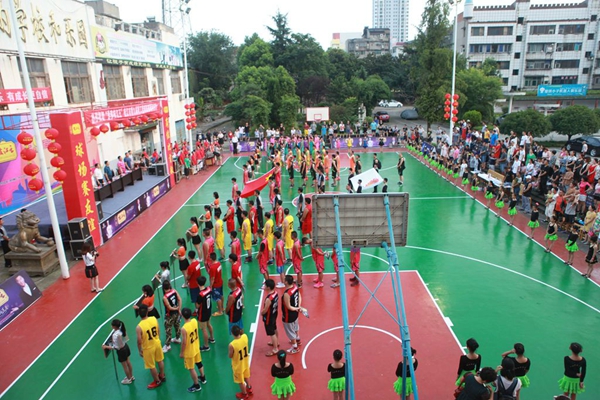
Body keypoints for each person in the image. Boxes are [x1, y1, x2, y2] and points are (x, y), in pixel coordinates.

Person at [136, 304, 166, 389]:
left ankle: (157, 381)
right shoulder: (153, 319)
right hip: (157, 343)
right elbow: (158, 331)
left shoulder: (139, 327)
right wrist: (157, 339)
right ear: (147, 312)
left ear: (139, 313)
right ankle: (162, 375)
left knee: (152, 366)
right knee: (160, 360)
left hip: (148, 348)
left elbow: (139, 341)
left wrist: (139, 350)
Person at [180, 307, 207, 393]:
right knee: (199, 363)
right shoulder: (194, 321)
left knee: (191, 368)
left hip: (189, 351)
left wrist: (182, 352)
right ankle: (203, 378)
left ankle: (196, 385)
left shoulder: (184, 328)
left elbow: (184, 342)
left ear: (182, 316)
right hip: (196, 347)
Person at [101, 319, 134, 384]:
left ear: (114, 326)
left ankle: (128, 379)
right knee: (128, 362)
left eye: (112, 325)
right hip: (126, 347)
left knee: (125, 366)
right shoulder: (122, 329)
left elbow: (116, 347)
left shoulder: (115, 335)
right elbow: (124, 339)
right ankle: (131, 376)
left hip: (121, 351)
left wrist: (106, 347)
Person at [229, 325, 253, 399]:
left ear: (232, 333)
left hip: (238, 365)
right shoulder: (245, 337)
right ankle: (249, 388)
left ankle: (244, 394)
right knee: (246, 376)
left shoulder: (232, 344)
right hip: (245, 363)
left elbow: (230, 355)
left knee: (240, 381)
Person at [282, 275, 302, 354]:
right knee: (296, 326)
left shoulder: (287, 293)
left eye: (284, 280)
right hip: (295, 313)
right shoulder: (295, 287)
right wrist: (298, 307)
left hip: (288, 315)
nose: (283, 280)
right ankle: (298, 339)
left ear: (286, 282)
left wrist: (296, 308)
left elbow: (288, 306)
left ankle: (295, 347)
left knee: (290, 331)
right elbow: (299, 296)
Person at [161, 280, 182, 353]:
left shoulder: (165, 297)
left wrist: (176, 308)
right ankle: (178, 338)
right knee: (177, 326)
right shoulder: (174, 291)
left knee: (168, 330)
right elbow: (179, 299)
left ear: (163, 288)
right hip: (177, 313)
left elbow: (169, 308)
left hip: (169, 315)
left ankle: (167, 345)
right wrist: (179, 309)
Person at [195, 276, 215, 351]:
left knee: (204, 329)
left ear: (197, 283)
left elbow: (197, 306)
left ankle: (206, 346)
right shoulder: (209, 289)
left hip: (202, 313)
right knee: (209, 324)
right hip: (208, 311)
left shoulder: (200, 294)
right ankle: (212, 338)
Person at [262, 279, 280, 357]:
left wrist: (262, 313)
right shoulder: (275, 293)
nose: (264, 286)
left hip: (269, 316)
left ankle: (275, 348)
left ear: (268, 287)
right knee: (274, 328)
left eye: (265, 285)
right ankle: (276, 342)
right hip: (274, 314)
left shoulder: (269, 298)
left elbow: (265, 309)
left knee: (271, 332)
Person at [208, 252, 224, 317]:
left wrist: (211, 286)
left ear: (211, 259)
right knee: (221, 295)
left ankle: (220, 311)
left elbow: (212, 278)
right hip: (220, 282)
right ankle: (222, 307)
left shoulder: (212, 267)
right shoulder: (219, 263)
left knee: (217, 298)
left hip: (216, 285)